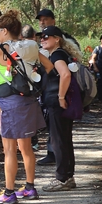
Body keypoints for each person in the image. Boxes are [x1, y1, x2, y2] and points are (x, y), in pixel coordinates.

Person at [0, 10, 47, 204]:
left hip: (10, 103)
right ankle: (29, 188)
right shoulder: (31, 46)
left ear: (5, 31)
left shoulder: (1, 50)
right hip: (28, 100)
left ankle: (9, 192)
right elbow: (49, 66)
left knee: (10, 149)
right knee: (26, 148)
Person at [35, 26, 80, 192]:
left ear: (57, 39)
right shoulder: (61, 54)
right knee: (65, 139)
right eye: (41, 37)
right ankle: (68, 176)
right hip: (61, 102)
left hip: (57, 103)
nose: (42, 39)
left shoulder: (57, 55)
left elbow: (65, 74)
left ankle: (62, 178)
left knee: (58, 140)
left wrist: (60, 97)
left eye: (46, 37)